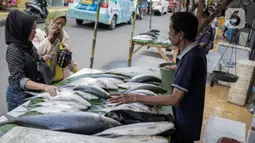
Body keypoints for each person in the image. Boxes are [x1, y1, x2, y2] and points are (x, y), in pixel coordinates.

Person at [109, 12, 207, 143]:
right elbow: (192, 72)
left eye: (171, 31)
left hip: (185, 122)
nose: (168, 35)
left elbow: (175, 99)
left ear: (181, 35)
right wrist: (177, 67)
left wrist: (135, 97)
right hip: (190, 117)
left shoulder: (191, 59)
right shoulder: (196, 51)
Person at [5, 10, 58, 111]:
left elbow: (33, 62)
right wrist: (44, 87)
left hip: (33, 91)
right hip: (19, 96)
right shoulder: (13, 49)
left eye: (35, 28)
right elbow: (19, 79)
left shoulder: (28, 44)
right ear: (22, 29)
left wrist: (44, 58)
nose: (35, 31)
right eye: (31, 29)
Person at [32, 11, 78, 83]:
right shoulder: (38, 33)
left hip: (61, 79)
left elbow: (68, 55)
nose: (60, 26)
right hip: (44, 80)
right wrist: (49, 38)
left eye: (62, 24)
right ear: (51, 21)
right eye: (58, 23)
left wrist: (75, 70)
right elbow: (35, 53)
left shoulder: (63, 35)